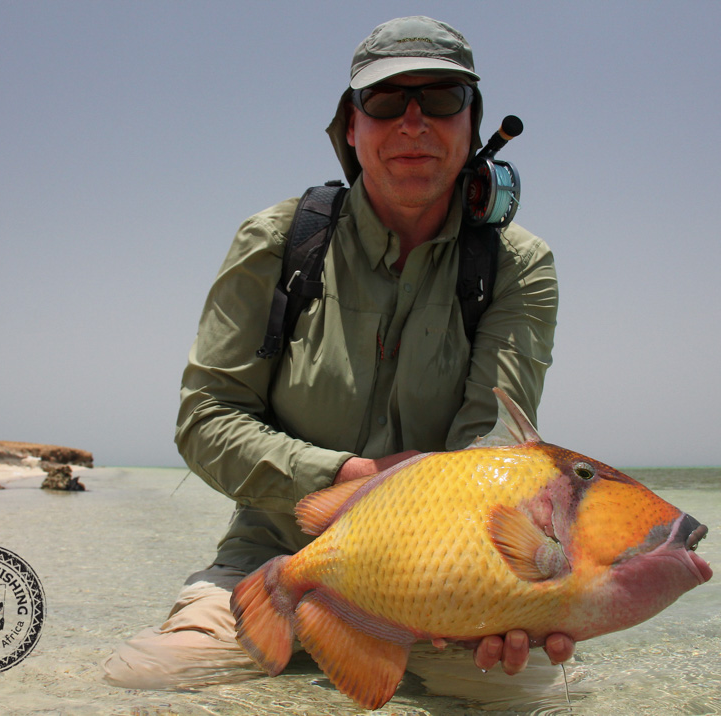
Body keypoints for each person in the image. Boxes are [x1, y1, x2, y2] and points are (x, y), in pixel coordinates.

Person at [103, 15, 572, 699]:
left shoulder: (518, 266)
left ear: (473, 123)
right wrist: (347, 477)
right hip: (277, 559)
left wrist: (507, 587)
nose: (414, 122)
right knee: (148, 679)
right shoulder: (276, 241)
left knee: (535, 693)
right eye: (386, 101)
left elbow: (490, 450)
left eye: (441, 98)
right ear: (350, 128)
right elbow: (206, 419)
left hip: (436, 571)